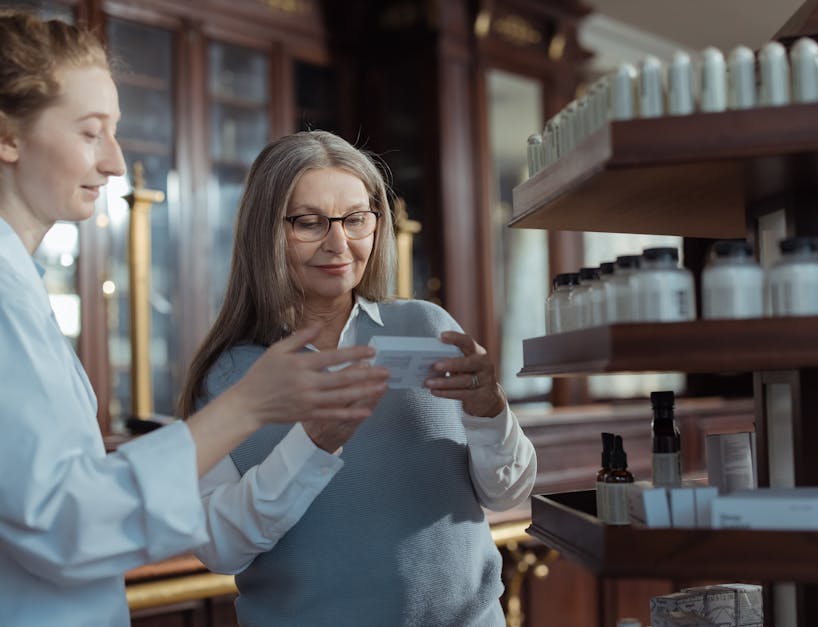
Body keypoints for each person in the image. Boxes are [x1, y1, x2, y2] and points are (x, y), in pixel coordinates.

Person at [0, 12, 389, 626]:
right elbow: (63, 524)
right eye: (90, 132)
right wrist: (246, 407)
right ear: (8, 136)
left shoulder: (19, 288)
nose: (115, 163)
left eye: (116, 132)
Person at [179, 129, 537, 626]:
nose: (338, 243)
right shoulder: (226, 376)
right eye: (309, 223)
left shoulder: (429, 327)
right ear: (264, 232)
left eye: (355, 220)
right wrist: (311, 447)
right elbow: (219, 548)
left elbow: (508, 492)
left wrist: (489, 412)